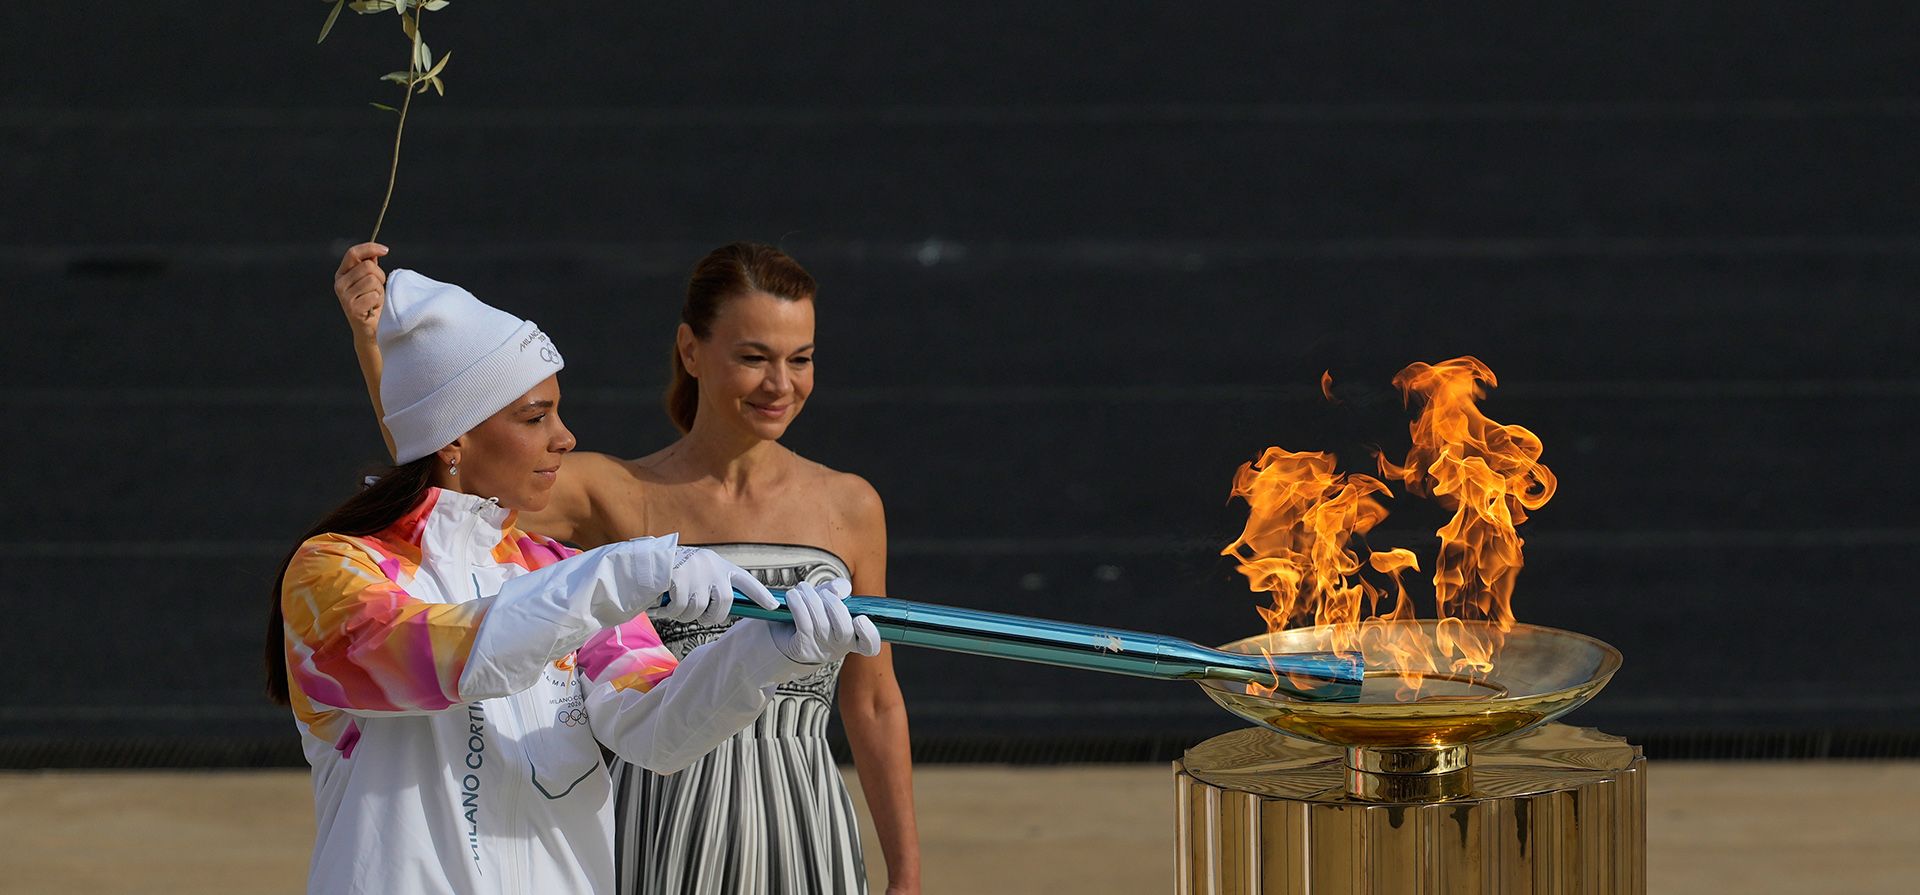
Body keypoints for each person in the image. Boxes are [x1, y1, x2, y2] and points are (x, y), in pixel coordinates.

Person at [269, 267, 881, 894]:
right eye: (535, 417)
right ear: (453, 438)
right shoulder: (335, 570)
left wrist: (764, 652)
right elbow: (445, 657)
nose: (565, 438)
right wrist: (620, 573)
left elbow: (659, 731)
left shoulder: (555, 570)